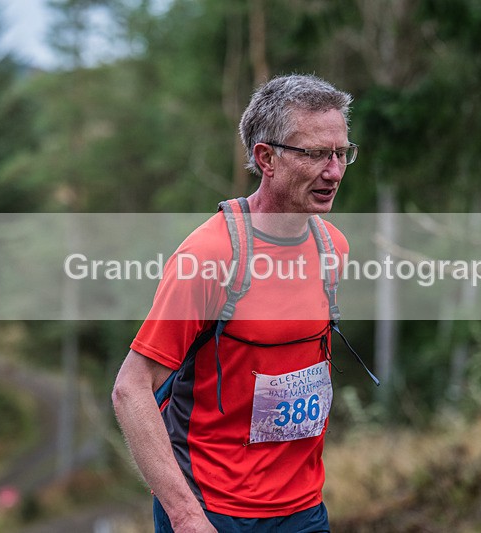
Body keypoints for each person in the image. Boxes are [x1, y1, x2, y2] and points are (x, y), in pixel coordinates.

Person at [112, 74, 358, 532]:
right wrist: (185, 516)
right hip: (212, 511)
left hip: (303, 512)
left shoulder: (333, 249)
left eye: (342, 152)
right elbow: (131, 390)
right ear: (266, 158)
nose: (335, 171)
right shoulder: (210, 256)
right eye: (316, 154)